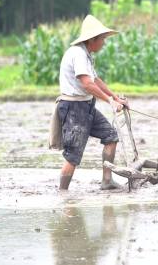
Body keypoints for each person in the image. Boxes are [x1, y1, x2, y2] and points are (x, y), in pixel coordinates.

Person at [56, 14, 128, 191]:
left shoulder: (86, 54)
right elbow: (86, 84)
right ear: (92, 39)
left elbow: (95, 80)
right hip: (74, 109)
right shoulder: (78, 54)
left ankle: (107, 181)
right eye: (102, 39)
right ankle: (62, 193)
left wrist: (116, 97)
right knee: (73, 155)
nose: (104, 42)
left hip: (86, 106)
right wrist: (110, 102)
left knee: (111, 136)